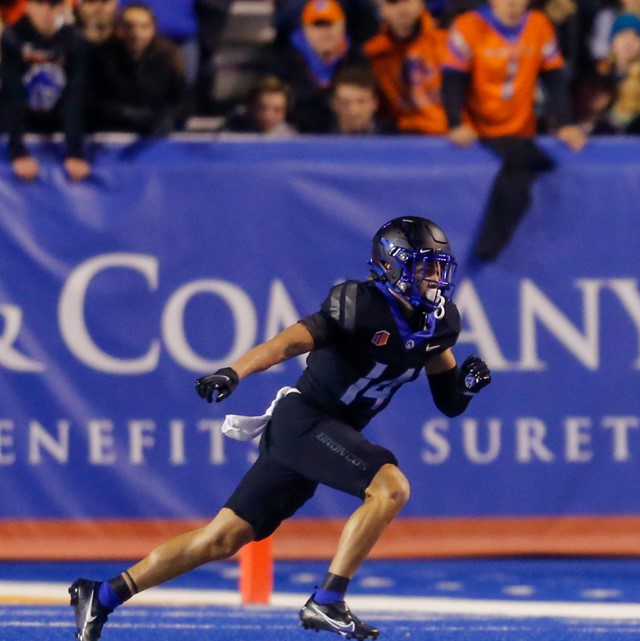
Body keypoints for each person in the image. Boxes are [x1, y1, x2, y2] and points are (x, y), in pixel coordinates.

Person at [68, 217, 493, 641]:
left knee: (221, 538)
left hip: (321, 433)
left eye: (438, 267)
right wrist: (234, 372)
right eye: (424, 267)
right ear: (395, 267)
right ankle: (327, 600)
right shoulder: (359, 304)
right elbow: (289, 342)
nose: (435, 278)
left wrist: (467, 388)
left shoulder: (439, 323)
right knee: (390, 488)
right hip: (306, 421)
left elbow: (448, 401)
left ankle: (101, 595)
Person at [442, 0, 587, 262]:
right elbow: (452, 79)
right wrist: (456, 123)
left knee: (523, 168)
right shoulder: (468, 27)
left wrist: (564, 122)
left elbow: (553, 76)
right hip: (481, 129)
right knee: (533, 164)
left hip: (521, 130)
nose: (511, 3)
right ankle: (488, 246)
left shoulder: (538, 25)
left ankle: (488, 247)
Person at [0, 0, 91, 182]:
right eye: (41, 3)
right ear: (28, 7)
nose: (48, 12)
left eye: (54, 4)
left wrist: (75, 152)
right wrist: (17, 151)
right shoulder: (13, 37)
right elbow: (12, 95)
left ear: (63, 7)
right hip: (22, 119)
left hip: (56, 121)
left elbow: (74, 96)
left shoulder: (74, 39)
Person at [87, 3, 191, 136]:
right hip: (109, 134)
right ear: (118, 28)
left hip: (153, 139)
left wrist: (167, 117)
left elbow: (184, 102)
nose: (136, 33)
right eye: (129, 26)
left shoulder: (166, 58)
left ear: (153, 29)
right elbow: (90, 101)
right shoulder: (99, 57)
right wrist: (123, 113)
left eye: (144, 27)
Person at [267, 0, 368, 133]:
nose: (325, 32)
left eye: (330, 24)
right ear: (305, 30)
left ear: (342, 26)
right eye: (317, 25)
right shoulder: (284, 64)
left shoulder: (358, 61)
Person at [363, 0, 450, 135]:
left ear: (421, 4)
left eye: (408, 1)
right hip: (402, 139)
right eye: (394, 2)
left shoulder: (448, 43)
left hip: (451, 137)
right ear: (381, 9)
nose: (403, 8)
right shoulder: (374, 54)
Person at [223, 75, 298, 136]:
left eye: (277, 110)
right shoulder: (229, 135)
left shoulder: (290, 138)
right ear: (250, 107)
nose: (268, 115)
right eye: (262, 108)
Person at [328, 65, 382, 135]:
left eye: (361, 102)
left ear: (374, 103)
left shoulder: (393, 138)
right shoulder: (318, 138)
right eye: (345, 103)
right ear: (334, 104)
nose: (354, 110)